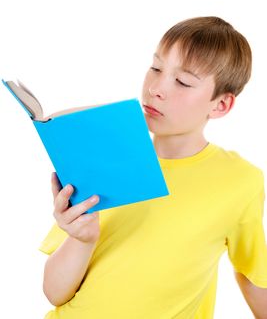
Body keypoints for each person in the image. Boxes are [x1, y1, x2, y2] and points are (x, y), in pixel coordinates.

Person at [40, 16, 267, 319]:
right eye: (156, 68)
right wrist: (82, 239)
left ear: (220, 105)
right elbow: (55, 293)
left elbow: (253, 274)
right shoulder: (107, 159)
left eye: (183, 82)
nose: (156, 88)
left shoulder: (240, 181)